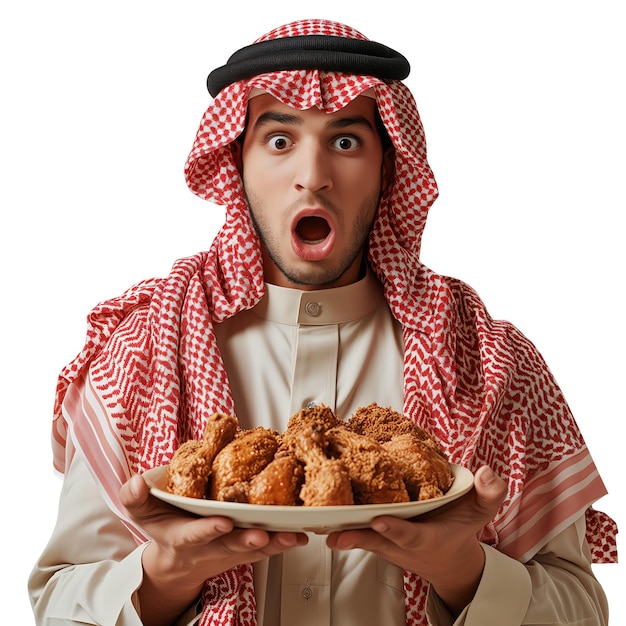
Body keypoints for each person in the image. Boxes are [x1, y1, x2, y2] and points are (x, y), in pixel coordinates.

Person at [29, 18, 617, 626]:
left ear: (389, 167)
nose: (313, 175)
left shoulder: (490, 361)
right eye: (279, 140)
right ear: (237, 163)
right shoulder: (145, 348)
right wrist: (164, 576)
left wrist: (461, 570)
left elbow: (581, 609)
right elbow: (58, 604)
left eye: (345, 142)